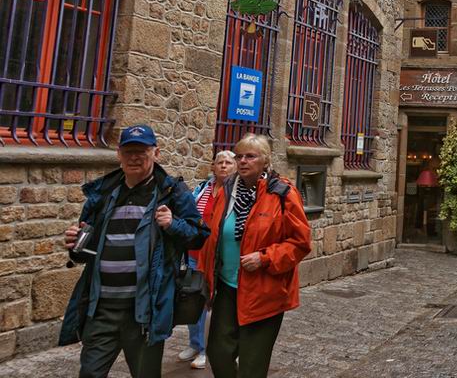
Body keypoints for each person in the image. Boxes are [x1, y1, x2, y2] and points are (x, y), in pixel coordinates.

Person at [60, 124, 209, 378]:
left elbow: (199, 236)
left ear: (156, 153)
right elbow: (86, 252)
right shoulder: (104, 194)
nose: (134, 157)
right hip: (101, 309)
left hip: (144, 313)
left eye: (142, 151)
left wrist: (173, 225)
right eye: (128, 151)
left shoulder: (171, 192)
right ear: (119, 154)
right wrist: (76, 245)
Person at [200, 134, 312, 378]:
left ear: (265, 160)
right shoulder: (226, 190)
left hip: (265, 292)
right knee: (218, 353)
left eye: (250, 156)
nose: (242, 161)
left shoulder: (281, 192)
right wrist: (206, 278)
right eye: (239, 156)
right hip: (227, 287)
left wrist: (265, 258)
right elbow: (212, 237)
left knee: (252, 366)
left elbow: (300, 242)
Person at [177, 150, 236, 370]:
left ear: (235, 167)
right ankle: (195, 343)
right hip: (195, 254)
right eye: (219, 162)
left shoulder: (237, 192)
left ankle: (205, 350)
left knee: (212, 305)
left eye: (228, 162)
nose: (223, 166)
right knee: (193, 301)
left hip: (218, 256)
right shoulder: (203, 189)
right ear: (212, 167)